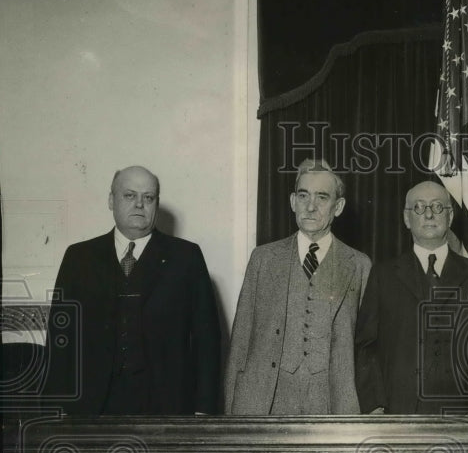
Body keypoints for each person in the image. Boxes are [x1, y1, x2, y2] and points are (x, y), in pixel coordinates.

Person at [44, 166, 221, 415]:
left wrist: (204, 409)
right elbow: (60, 339)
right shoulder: (79, 257)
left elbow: (207, 340)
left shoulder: (186, 257)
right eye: (129, 195)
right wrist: (54, 409)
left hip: (166, 408)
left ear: (156, 205)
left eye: (148, 197)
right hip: (90, 409)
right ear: (111, 200)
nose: (139, 204)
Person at [224, 159, 371, 415]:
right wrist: (231, 409)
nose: (311, 206)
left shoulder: (359, 265)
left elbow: (368, 348)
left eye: (322, 198)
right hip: (264, 401)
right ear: (293, 202)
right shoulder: (263, 259)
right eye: (304, 196)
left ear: (338, 207)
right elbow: (240, 341)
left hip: (333, 403)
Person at [355, 181, 468, 414]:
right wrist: (375, 405)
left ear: (450, 217)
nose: (428, 214)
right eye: (418, 207)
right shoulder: (383, 275)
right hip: (398, 412)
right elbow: (367, 346)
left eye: (438, 207)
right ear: (407, 219)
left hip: (461, 414)